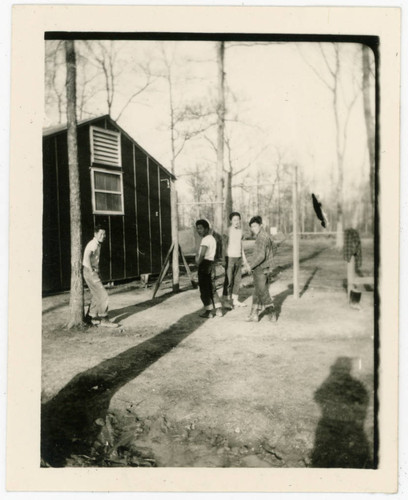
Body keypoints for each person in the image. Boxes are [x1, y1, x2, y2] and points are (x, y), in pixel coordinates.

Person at [83, 225, 118, 328]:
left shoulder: (97, 243)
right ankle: (104, 319)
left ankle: (89, 318)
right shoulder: (93, 244)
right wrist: (91, 270)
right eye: (101, 234)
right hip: (90, 272)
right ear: (95, 234)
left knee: (96, 295)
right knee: (103, 295)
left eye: (104, 234)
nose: (103, 236)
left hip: (92, 271)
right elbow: (86, 257)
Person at [246, 216, 276, 322]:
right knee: (257, 290)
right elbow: (274, 248)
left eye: (255, 226)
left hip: (260, 267)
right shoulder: (266, 235)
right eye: (251, 227)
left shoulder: (262, 237)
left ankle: (271, 312)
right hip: (265, 267)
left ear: (261, 225)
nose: (253, 228)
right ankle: (254, 314)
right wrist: (270, 261)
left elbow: (261, 256)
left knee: (262, 291)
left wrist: (251, 266)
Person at [222, 212, 250, 309]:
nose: (237, 222)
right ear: (231, 221)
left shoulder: (240, 231)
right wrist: (223, 259)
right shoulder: (227, 231)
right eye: (234, 220)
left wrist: (244, 260)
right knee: (229, 280)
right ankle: (225, 300)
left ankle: (235, 300)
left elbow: (241, 246)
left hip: (238, 258)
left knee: (237, 280)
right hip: (229, 258)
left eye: (238, 219)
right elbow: (224, 246)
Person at [195, 219, 223, 319]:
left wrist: (197, 263)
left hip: (204, 265)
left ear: (207, 229)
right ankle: (219, 309)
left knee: (204, 289)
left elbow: (202, 254)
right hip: (211, 264)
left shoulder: (205, 239)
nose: (199, 231)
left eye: (201, 228)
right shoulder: (212, 238)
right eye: (197, 228)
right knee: (212, 288)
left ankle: (209, 311)